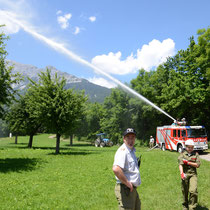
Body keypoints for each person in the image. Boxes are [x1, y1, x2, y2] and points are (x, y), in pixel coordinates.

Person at [112, 128, 141, 210]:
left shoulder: (130, 151)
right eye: (128, 138)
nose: (131, 140)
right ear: (124, 139)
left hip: (131, 189)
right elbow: (116, 169)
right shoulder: (123, 151)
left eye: (133, 138)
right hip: (125, 189)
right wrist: (127, 183)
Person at [178, 140, 201, 210]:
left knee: (193, 191)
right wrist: (181, 173)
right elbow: (180, 164)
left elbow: (198, 165)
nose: (190, 149)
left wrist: (188, 162)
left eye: (192, 147)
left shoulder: (196, 154)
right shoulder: (182, 154)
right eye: (189, 147)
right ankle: (185, 205)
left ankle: (192, 207)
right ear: (186, 147)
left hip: (193, 174)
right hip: (185, 174)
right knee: (185, 191)